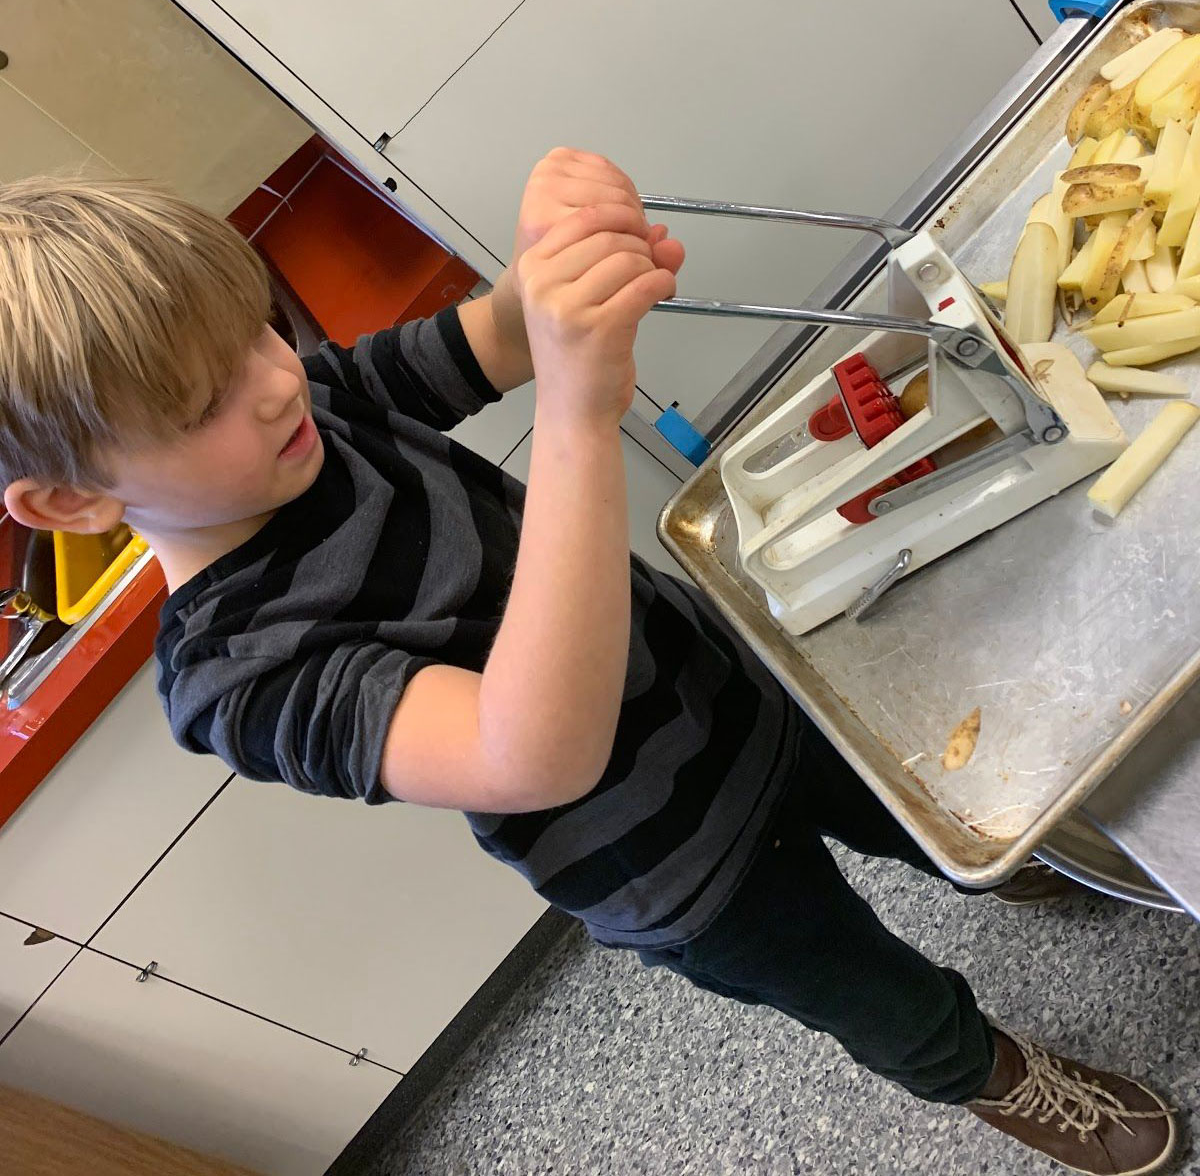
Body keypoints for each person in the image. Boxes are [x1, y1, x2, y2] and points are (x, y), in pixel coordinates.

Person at [0, 151, 1176, 1175]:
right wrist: (574, 418)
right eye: (204, 401)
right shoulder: (236, 676)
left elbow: (501, 334)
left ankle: (990, 865)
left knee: (910, 804)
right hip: (679, 866)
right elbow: (531, 750)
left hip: (740, 693)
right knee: (871, 992)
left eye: (260, 330)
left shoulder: (318, 404)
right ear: (69, 501)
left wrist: (559, 256)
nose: (271, 383)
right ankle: (990, 1073)